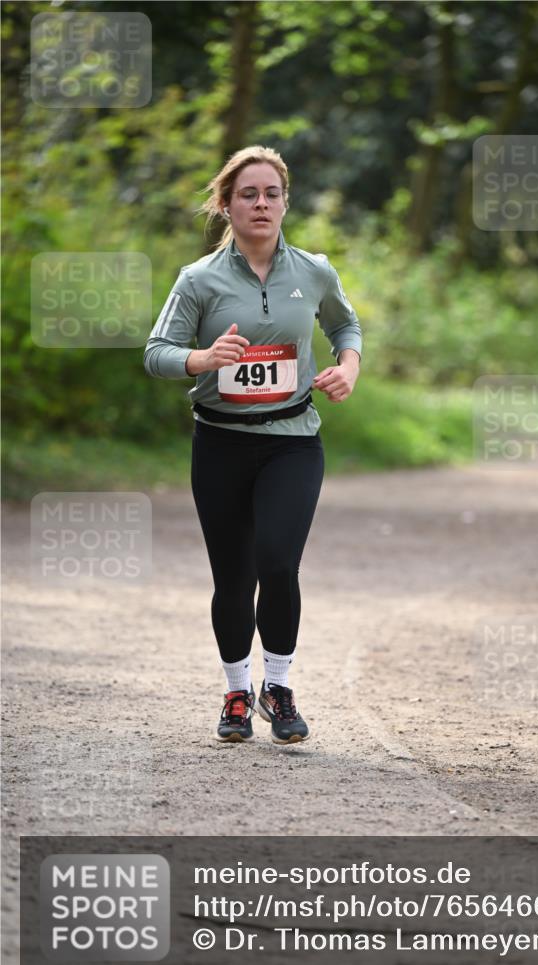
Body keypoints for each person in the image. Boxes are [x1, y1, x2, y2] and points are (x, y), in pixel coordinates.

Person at [143, 145, 362, 745]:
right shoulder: (198, 279)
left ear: (285, 202)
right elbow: (156, 353)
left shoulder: (314, 272)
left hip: (293, 441)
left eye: (271, 194)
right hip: (220, 445)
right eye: (248, 194)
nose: (261, 204)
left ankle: (279, 688)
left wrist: (349, 365)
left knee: (278, 562)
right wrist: (202, 358)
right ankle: (237, 693)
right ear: (226, 205)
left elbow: (345, 324)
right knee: (234, 577)